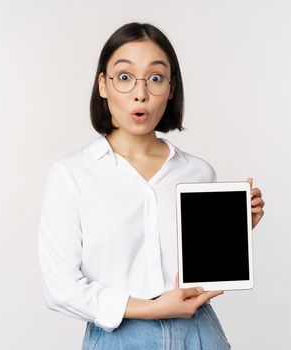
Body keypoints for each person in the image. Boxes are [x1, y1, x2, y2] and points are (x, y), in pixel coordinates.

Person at [37, 22, 265, 349]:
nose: (140, 93)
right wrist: (153, 308)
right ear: (103, 85)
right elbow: (60, 289)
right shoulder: (72, 174)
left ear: (171, 88)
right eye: (125, 77)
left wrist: (234, 230)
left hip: (198, 332)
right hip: (120, 337)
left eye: (156, 78)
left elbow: (197, 272)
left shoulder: (198, 173)